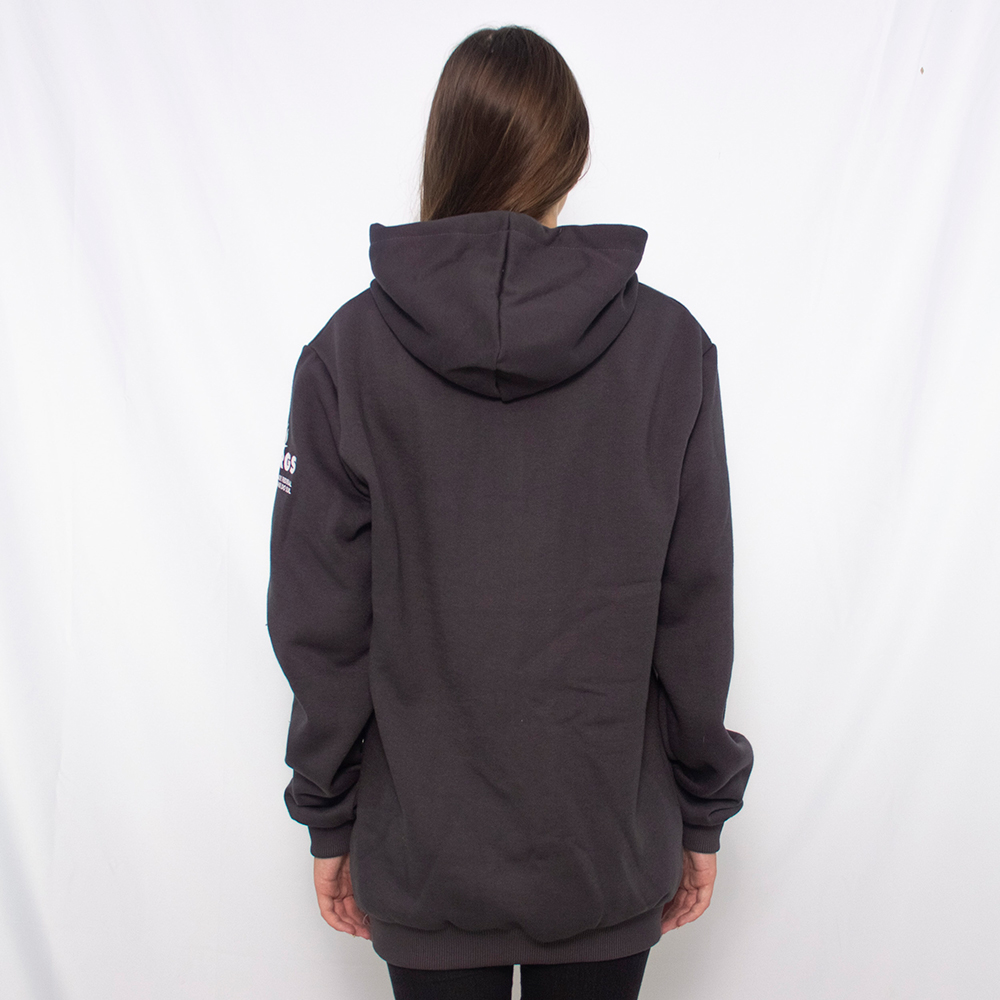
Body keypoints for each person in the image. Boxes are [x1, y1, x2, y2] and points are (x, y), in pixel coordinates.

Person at [267, 24, 753, 1000]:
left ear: (442, 153)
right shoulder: (669, 349)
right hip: (607, 850)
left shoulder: (347, 354)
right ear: (569, 157)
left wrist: (329, 814)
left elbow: (319, 620)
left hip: (422, 853)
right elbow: (695, 607)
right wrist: (701, 808)